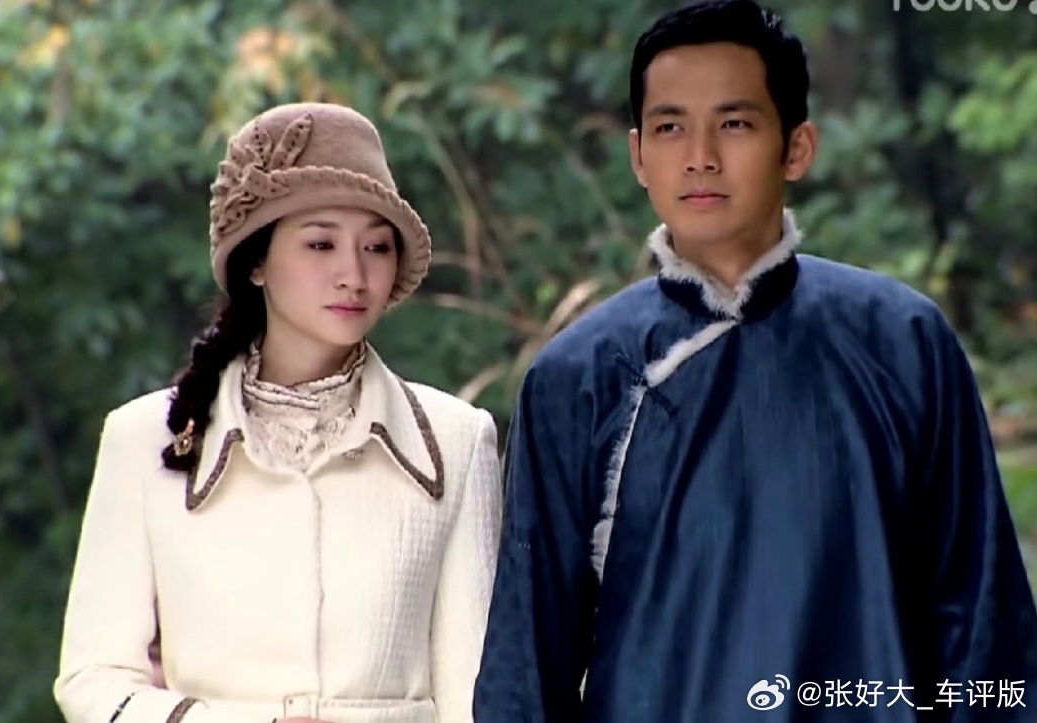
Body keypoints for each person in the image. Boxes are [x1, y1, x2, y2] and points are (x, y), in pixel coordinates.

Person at [472, 1, 1037, 721]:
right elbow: (526, 669)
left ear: (797, 147)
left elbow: (987, 634)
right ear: (638, 155)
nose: (700, 156)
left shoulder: (903, 342)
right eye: (671, 127)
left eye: (735, 124)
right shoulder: (579, 376)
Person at [53, 102, 503, 723]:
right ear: (257, 260)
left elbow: (476, 698)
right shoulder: (142, 440)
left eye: (376, 246)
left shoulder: (456, 442)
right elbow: (94, 680)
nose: (353, 274)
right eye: (321, 243)